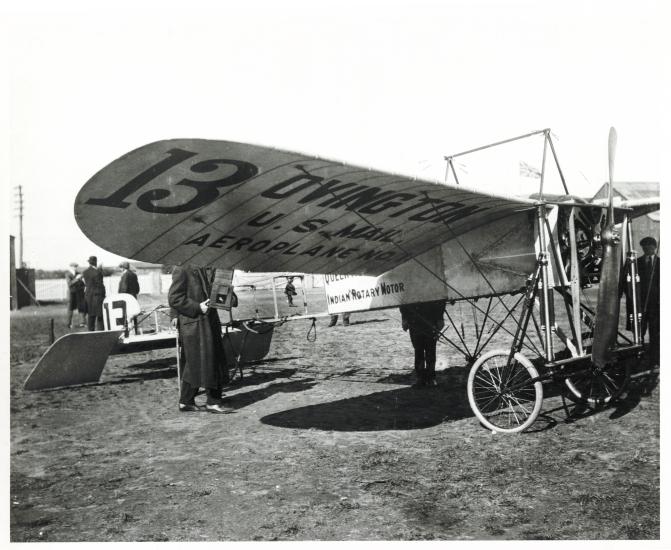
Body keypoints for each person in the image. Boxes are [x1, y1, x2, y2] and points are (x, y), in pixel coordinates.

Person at [169, 265, 232, 414]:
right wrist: (197, 307)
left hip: (209, 321)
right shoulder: (181, 268)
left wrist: (227, 297)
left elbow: (217, 293)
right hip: (194, 322)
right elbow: (174, 297)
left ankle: (186, 402)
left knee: (194, 363)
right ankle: (213, 402)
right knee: (210, 360)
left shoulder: (210, 267)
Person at [399, 299, 447, 387]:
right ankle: (420, 378)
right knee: (418, 350)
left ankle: (431, 378)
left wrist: (440, 318)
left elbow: (440, 299)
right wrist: (404, 318)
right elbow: (403, 300)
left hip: (430, 319)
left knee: (430, 349)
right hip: (414, 320)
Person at [638, 236, 660, 367]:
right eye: (644, 247)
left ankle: (654, 359)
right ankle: (638, 356)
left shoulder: (662, 263)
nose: (647, 249)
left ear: (655, 247)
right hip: (640, 305)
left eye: (650, 247)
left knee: (655, 333)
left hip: (656, 306)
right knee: (639, 332)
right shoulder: (636, 263)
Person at [81, 256, 106, 331]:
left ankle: (90, 331)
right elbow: (100, 285)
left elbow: (87, 283)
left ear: (89, 262)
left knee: (90, 315)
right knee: (100, 315)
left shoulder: (85, 272)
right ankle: (100, 332)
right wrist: (103, 295)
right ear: (95, 262)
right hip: (97, 296)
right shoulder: (98, 272)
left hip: (88, 296)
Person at [65, 262, 86, 328]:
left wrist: (82, 285)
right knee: (70, 308)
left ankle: (82, 323)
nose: (75, 268)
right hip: (71, 293)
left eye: (76, 266)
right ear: (70, 267)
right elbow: (69, 284)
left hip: (79, 293)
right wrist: (77, 278)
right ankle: (69, 324)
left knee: (81, 308)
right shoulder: (67, 274)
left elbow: (82, 283)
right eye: (74, 266)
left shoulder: (78, 274)